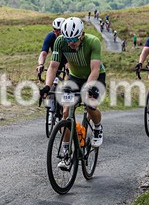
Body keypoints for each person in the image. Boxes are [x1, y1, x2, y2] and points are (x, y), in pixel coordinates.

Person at [40, 17, 106, 167]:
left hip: (95, 76)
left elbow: (95, 69)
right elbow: (53, 66)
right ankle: (65, 153)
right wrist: (47, 86)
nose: (71, 43)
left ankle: (97, 126)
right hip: (75, 77)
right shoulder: (60, 41)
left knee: (90, 103)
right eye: (68, 40)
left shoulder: (93, 42)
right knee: (65, 113)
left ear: (82, 34)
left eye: (74, 39)